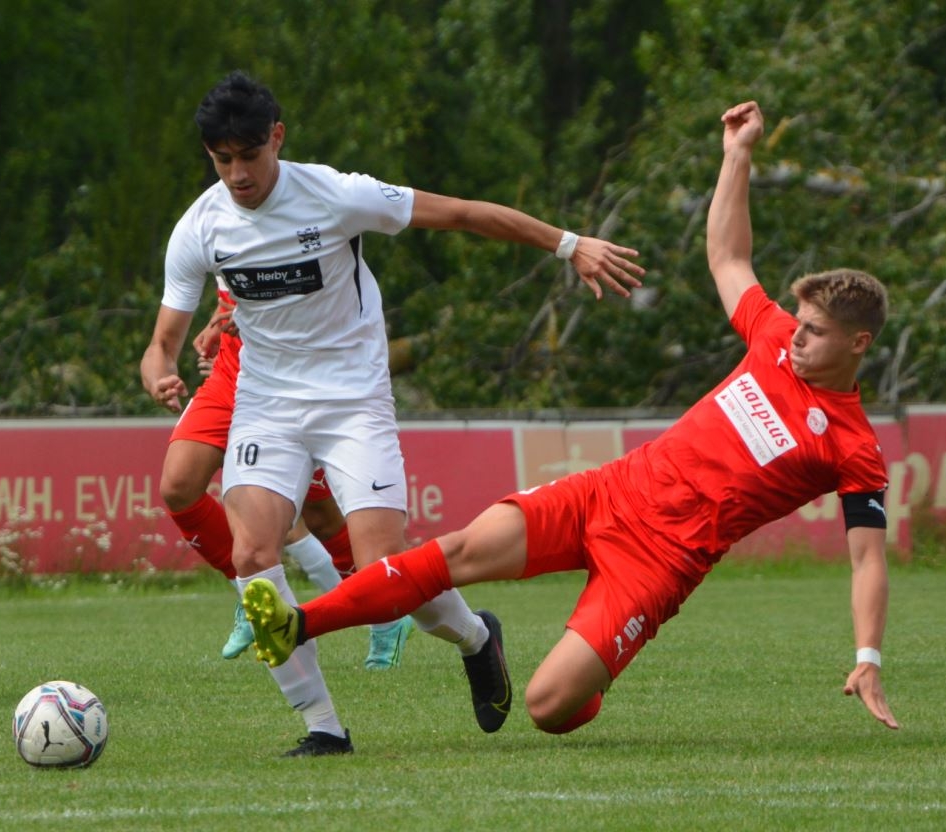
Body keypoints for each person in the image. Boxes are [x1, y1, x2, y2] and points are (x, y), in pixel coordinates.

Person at [242, 100, 899, 737]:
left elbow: (867, 560)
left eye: (815, 331)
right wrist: (737, 154)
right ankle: (297, 623)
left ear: (858, 343)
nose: (797, 337)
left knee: (548, 707)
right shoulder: (773, 338)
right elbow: (729, 259)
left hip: (658, 562)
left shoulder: (852, 447)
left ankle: (594, 667)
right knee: (456, 552)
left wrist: (867, 657)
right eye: (799, 323)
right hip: (605, 494)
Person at [140, 71, 645, 755]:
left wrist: (568, 244)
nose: (237, 175)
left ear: (277, 139)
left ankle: (475, 636)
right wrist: (159, 372)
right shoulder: (200, 226)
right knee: (253, 556)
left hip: (352, 401)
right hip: (266, 406)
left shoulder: (335, 195)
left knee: (382, 569)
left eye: (249, 155)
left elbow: (461, 214)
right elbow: (161, 341)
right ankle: (323, 728)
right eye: (222, 159)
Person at [165, 286, 416, 667]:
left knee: (320, 517)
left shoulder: (320, 246)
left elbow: (320, 284)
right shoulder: (202, 243)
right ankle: (251, 593)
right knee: (178, 484)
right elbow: (229, 289)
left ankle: (393, 618)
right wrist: (218, 321)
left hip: (293, 385)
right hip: (232, 378)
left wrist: (256, 316)